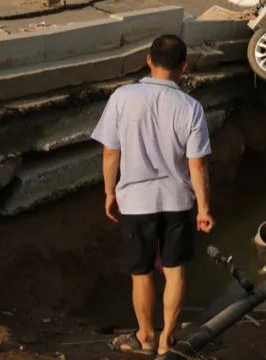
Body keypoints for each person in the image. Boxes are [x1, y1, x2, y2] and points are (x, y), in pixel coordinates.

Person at [92, 35, 214, 357]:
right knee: (175, 271)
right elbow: (197, 165)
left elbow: (110, 152)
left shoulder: (122, 97)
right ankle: (167, 340)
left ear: (149, 60)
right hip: (177, 201)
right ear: (184, 67)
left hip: (136, 202)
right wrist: (203, 208)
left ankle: (145, 338)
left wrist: (109, 192)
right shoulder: (191, 107)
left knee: (141, 273)